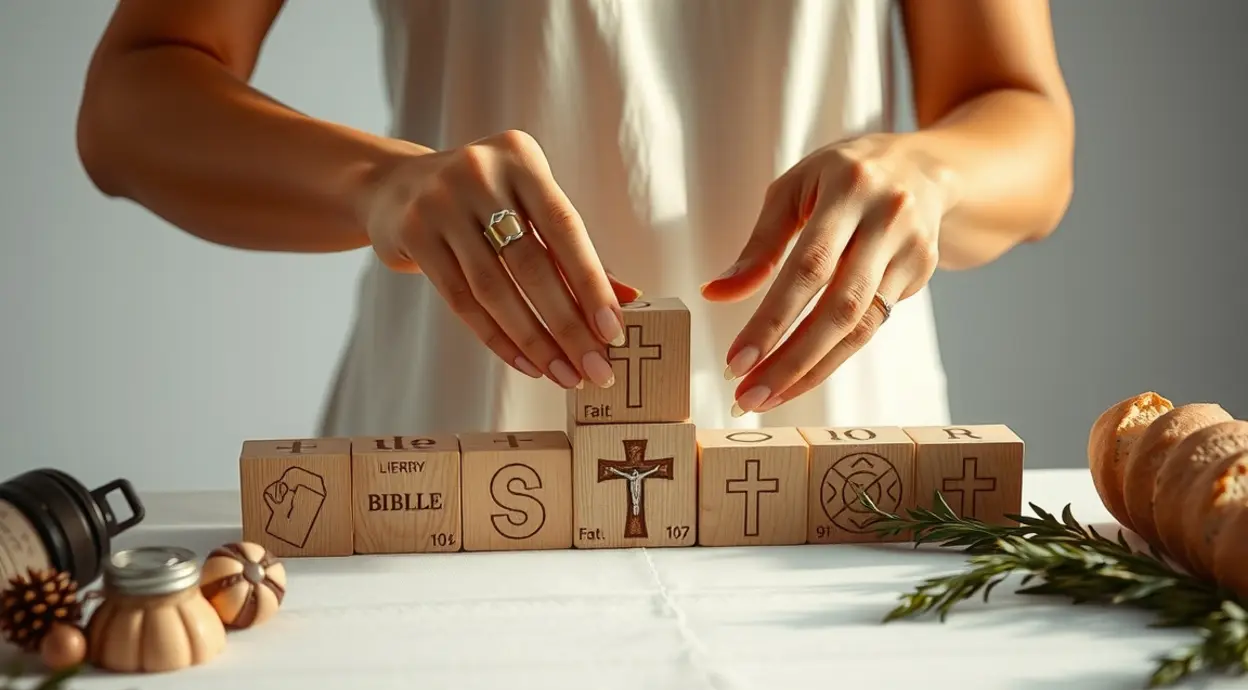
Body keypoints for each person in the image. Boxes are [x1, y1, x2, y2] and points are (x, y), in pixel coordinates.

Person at [75, 0, 1074, 438]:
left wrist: (931, 174)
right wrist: (381, 184)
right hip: (456, 440)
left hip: (842, 442)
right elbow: (131, 98)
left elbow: (1027, 125)